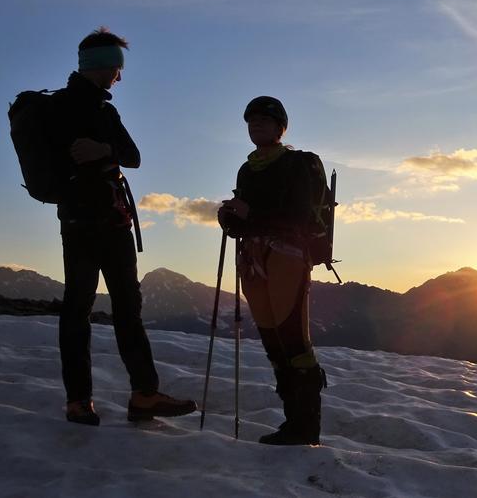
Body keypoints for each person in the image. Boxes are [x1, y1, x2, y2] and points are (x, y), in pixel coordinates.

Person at [52, 27, 196, 425]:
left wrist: (103, 151)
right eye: (117, 68)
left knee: (78, 309)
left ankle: (79, 401)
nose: (120, 76)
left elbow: (128, 155)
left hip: (77, 220)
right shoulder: (95, 110)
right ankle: (143, 395)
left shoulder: (65, 107)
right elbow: (132, 156)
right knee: (126, 308)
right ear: (104, 66)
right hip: (106, 222)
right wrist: (106, 151)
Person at [218, 96, 328, 445]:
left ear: (281, 127)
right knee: (274, 341)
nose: (256, 125)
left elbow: (299, 217)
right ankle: (294, 423)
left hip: (285, 258)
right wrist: (231, 219)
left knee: (293, 340)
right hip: (255, 259)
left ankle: (304, 426)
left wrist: (250, 215)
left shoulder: (299, 164)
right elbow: (247, 221)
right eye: (251, 120)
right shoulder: (248, 169)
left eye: (265, 120)